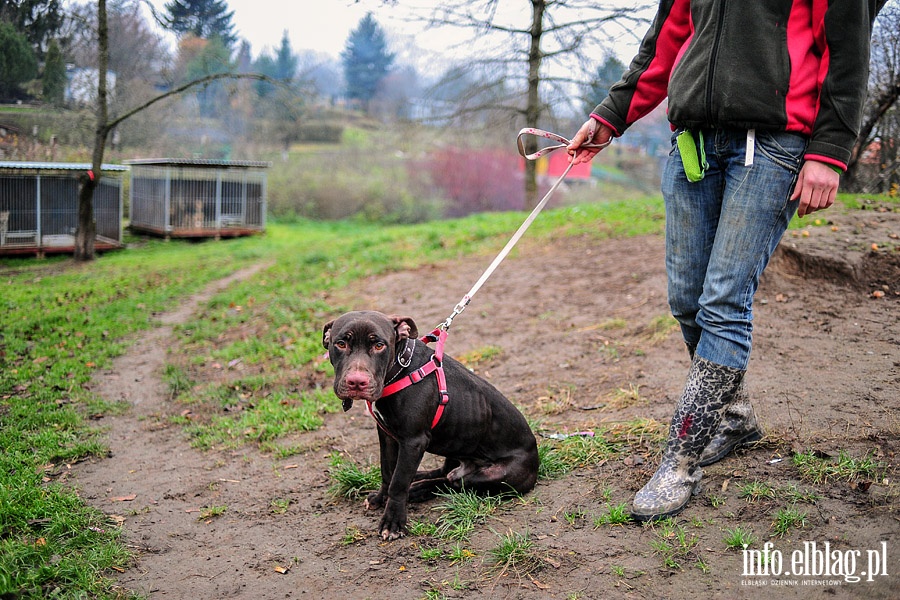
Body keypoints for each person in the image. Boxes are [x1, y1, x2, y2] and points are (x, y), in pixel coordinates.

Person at [567, 0, 879, 522]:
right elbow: (663, 43)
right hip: (692, 144)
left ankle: (680, 461)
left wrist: (830, 151)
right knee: (686, 299)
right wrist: (610, 115)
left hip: (774, 147)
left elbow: (848, 52)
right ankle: (733, 416)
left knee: (723, 301)